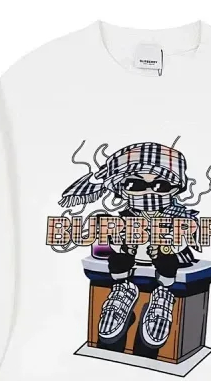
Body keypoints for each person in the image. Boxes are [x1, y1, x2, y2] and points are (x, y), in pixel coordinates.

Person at [59, 142, 199, 347]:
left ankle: (163, 295)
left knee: (167, 263)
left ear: (176, 188)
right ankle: (122, 290)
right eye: (135, 184)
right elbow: (114, 243)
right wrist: (123, 244)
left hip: (164, 260)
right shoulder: (124, 217)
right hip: (131, 258)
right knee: (118, 260)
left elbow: (183, 239)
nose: (149, 192)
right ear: (122, 189)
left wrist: (165, 245)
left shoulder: (178, 217)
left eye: (160, 185)